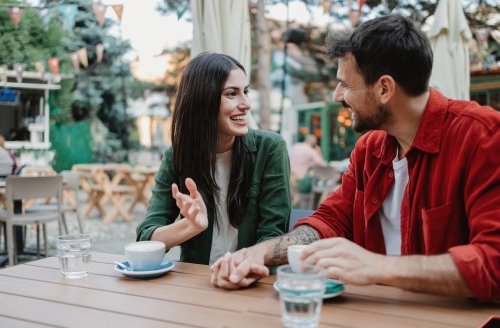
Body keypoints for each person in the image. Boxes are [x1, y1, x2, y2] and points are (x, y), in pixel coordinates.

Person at [210, 15, 500, 301]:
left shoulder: (483, 137)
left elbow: (494, 262)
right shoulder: (370, 150)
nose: (337, 96)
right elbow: (331, 221)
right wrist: (260, 252)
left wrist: (377, 266)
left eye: (346, 85)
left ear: (384, 88)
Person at [136, 53, 291, 265]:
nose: (246, 104)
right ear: (202, 100)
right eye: (231, 94)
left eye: (245, 92)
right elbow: (145, 238)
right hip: (195, 284)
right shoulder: (178, 154)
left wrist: (239, 268)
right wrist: (190, 226)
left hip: (250, 280)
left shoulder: (270, 148)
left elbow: (272, 237)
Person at [289, 135, 325, 208]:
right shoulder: (310, 150)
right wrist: (318, 151)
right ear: (313, 143)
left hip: (290, 178)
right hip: (301, 181)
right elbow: (321, 164)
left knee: (294, 201)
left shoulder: (295, 146)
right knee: (318, 190)